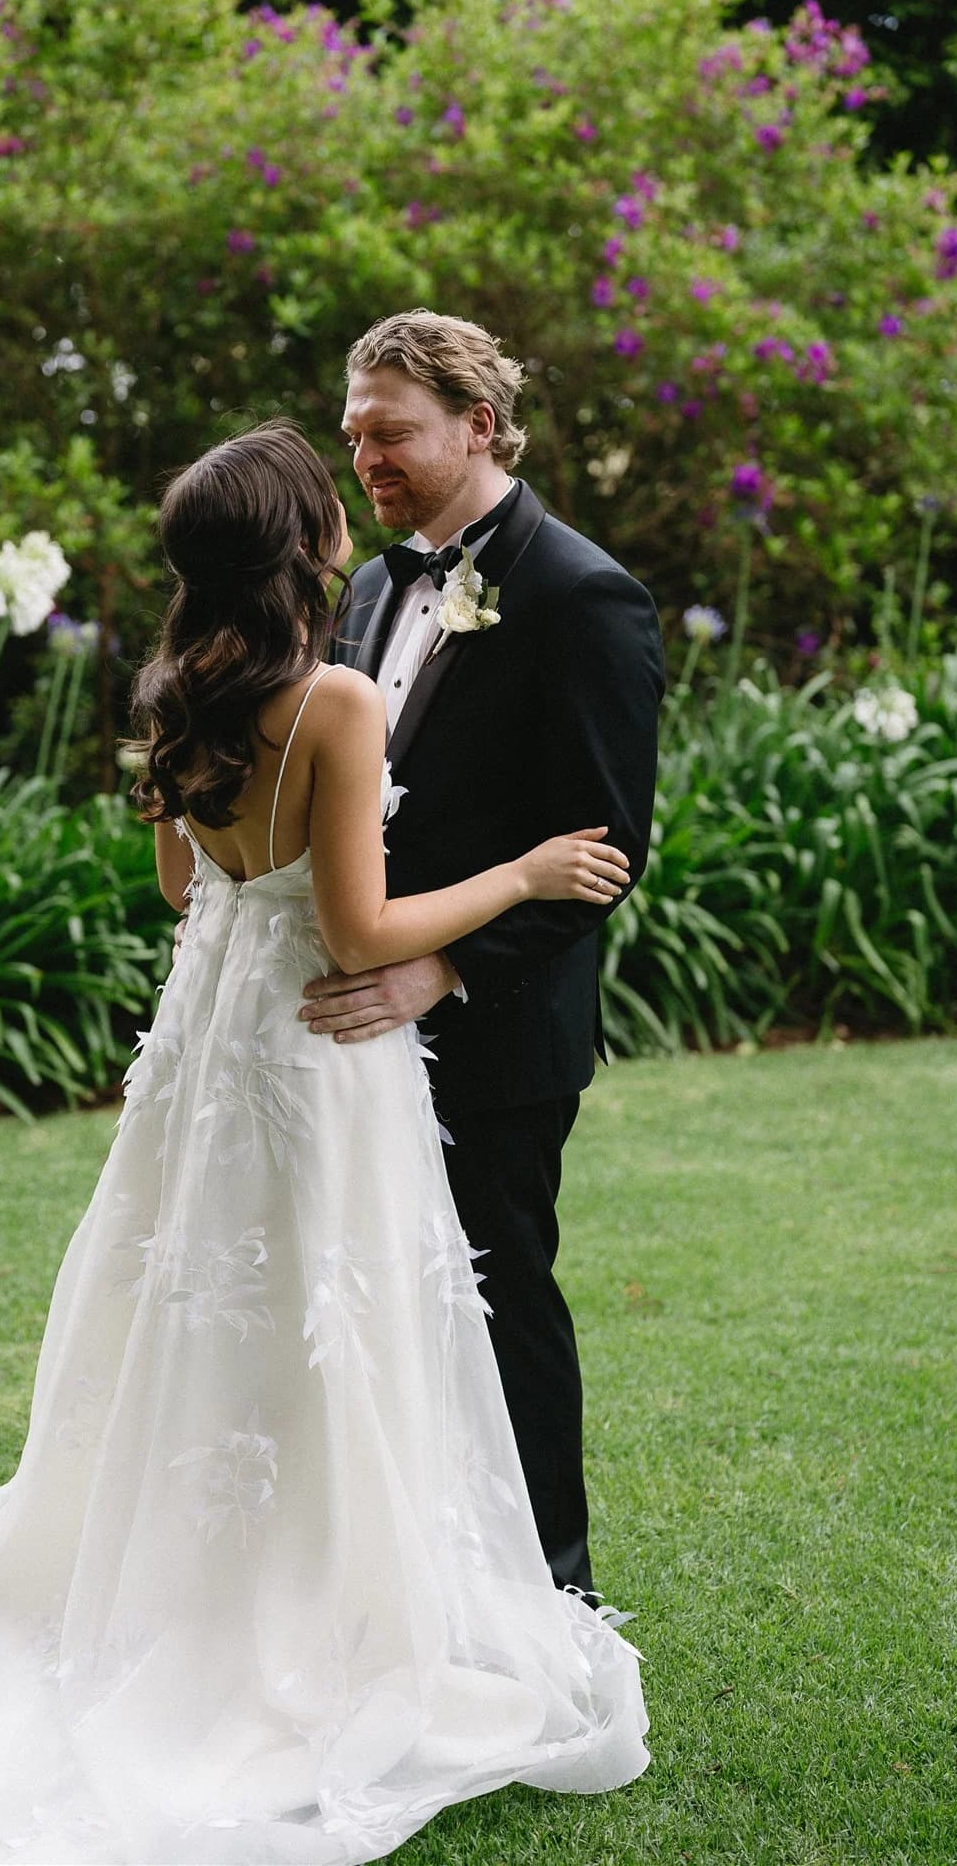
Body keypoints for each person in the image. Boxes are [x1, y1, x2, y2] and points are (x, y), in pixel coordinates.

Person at [0, 420, 648, 1866]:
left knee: (212, 1315)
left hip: (211, 1047)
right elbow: (357, 932)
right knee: (324, 1310)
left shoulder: (184, 689)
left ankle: (203, 1584)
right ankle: (314, 1611)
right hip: (313, 1051)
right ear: (305, 544)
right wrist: (521, 874)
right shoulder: (336, 702)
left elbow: (186, 881)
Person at [317, 310, 665, 1604]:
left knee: (495, 1305)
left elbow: (606, 847)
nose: (367, 457)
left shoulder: (582, 595)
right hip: (354, 1019)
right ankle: (410, 1581)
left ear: (478, 421)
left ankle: (551, 1597)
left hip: (495, 1037)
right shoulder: (366, 587)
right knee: (375, 1309)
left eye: (391, 432)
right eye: (354, 434)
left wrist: (443, 972)